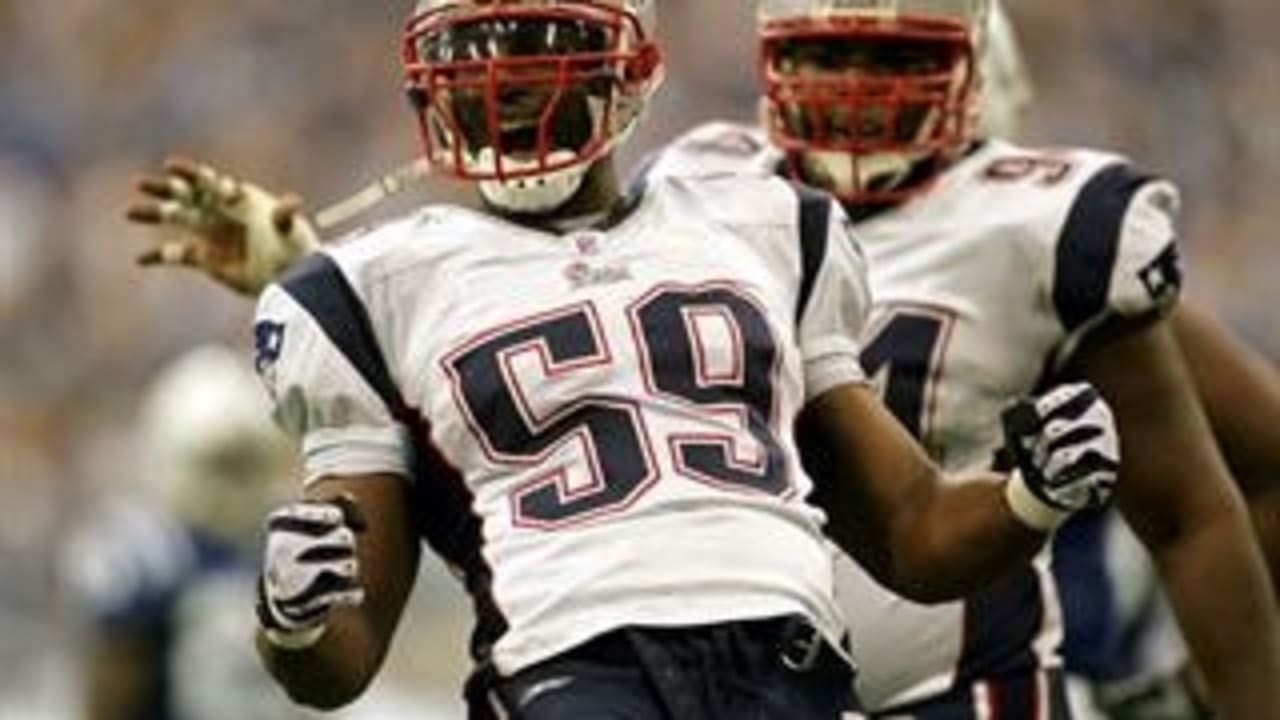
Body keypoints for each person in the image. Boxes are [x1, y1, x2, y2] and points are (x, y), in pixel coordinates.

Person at [125, 1, 1123, 717]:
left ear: (632, 68)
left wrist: (1028, 494)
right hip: (569, 675)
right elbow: (339, 664)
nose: (507, 83)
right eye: (474, 51)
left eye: (539, 45)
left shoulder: (763, 221)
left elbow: (908, 531)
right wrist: (293, 619)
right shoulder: (365, 288)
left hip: (790, 666)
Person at [638, 0, 1277, 716]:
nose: (858, 91)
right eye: (826, 56)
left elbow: (1191, 512)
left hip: (967, 690)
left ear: (972, 71)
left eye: (897, 61)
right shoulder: (694, 191)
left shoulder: (1045, 228)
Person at [60, 345, 303, 720]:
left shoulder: (282, 544)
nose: (233, 483)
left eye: (243, 465)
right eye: (222, 465)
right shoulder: (145, 551)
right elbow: (113, 687)